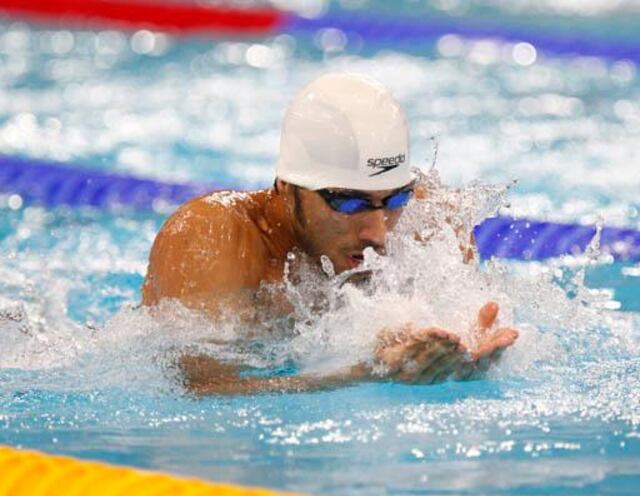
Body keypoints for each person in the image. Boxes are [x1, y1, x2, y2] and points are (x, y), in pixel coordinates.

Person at [142, 72, 518, 394]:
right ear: (287, 189)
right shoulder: (215, 238)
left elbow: (460, 331)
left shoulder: (432, 222)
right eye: (348, 203)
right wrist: (361, 374)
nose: (379, 233)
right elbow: (204, 390)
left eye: (394, 199)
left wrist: (460, 357)